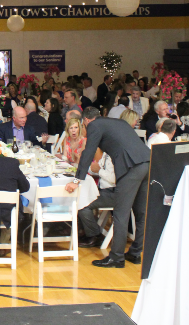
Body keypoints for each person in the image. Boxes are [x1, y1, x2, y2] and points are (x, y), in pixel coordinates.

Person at [66, 106, 151, 268]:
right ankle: (135, 252)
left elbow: (88, 152)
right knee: (141, 212)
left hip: (130, 167)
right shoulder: (118, 123)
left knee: (120, 212)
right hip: (147, 161)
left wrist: (76, 181)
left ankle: (117, 257)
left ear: (86, 121)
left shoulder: (94, 126)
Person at [77, 148, 116, 248]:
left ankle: (95, 236)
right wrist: (85, 168)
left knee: (83, 204)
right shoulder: (107, 154)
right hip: (104, 190)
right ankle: (86, 232)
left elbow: (114, 179)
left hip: (114, 193)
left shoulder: (115, 156)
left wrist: (99, 171)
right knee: (81, 196)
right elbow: (97, 170)